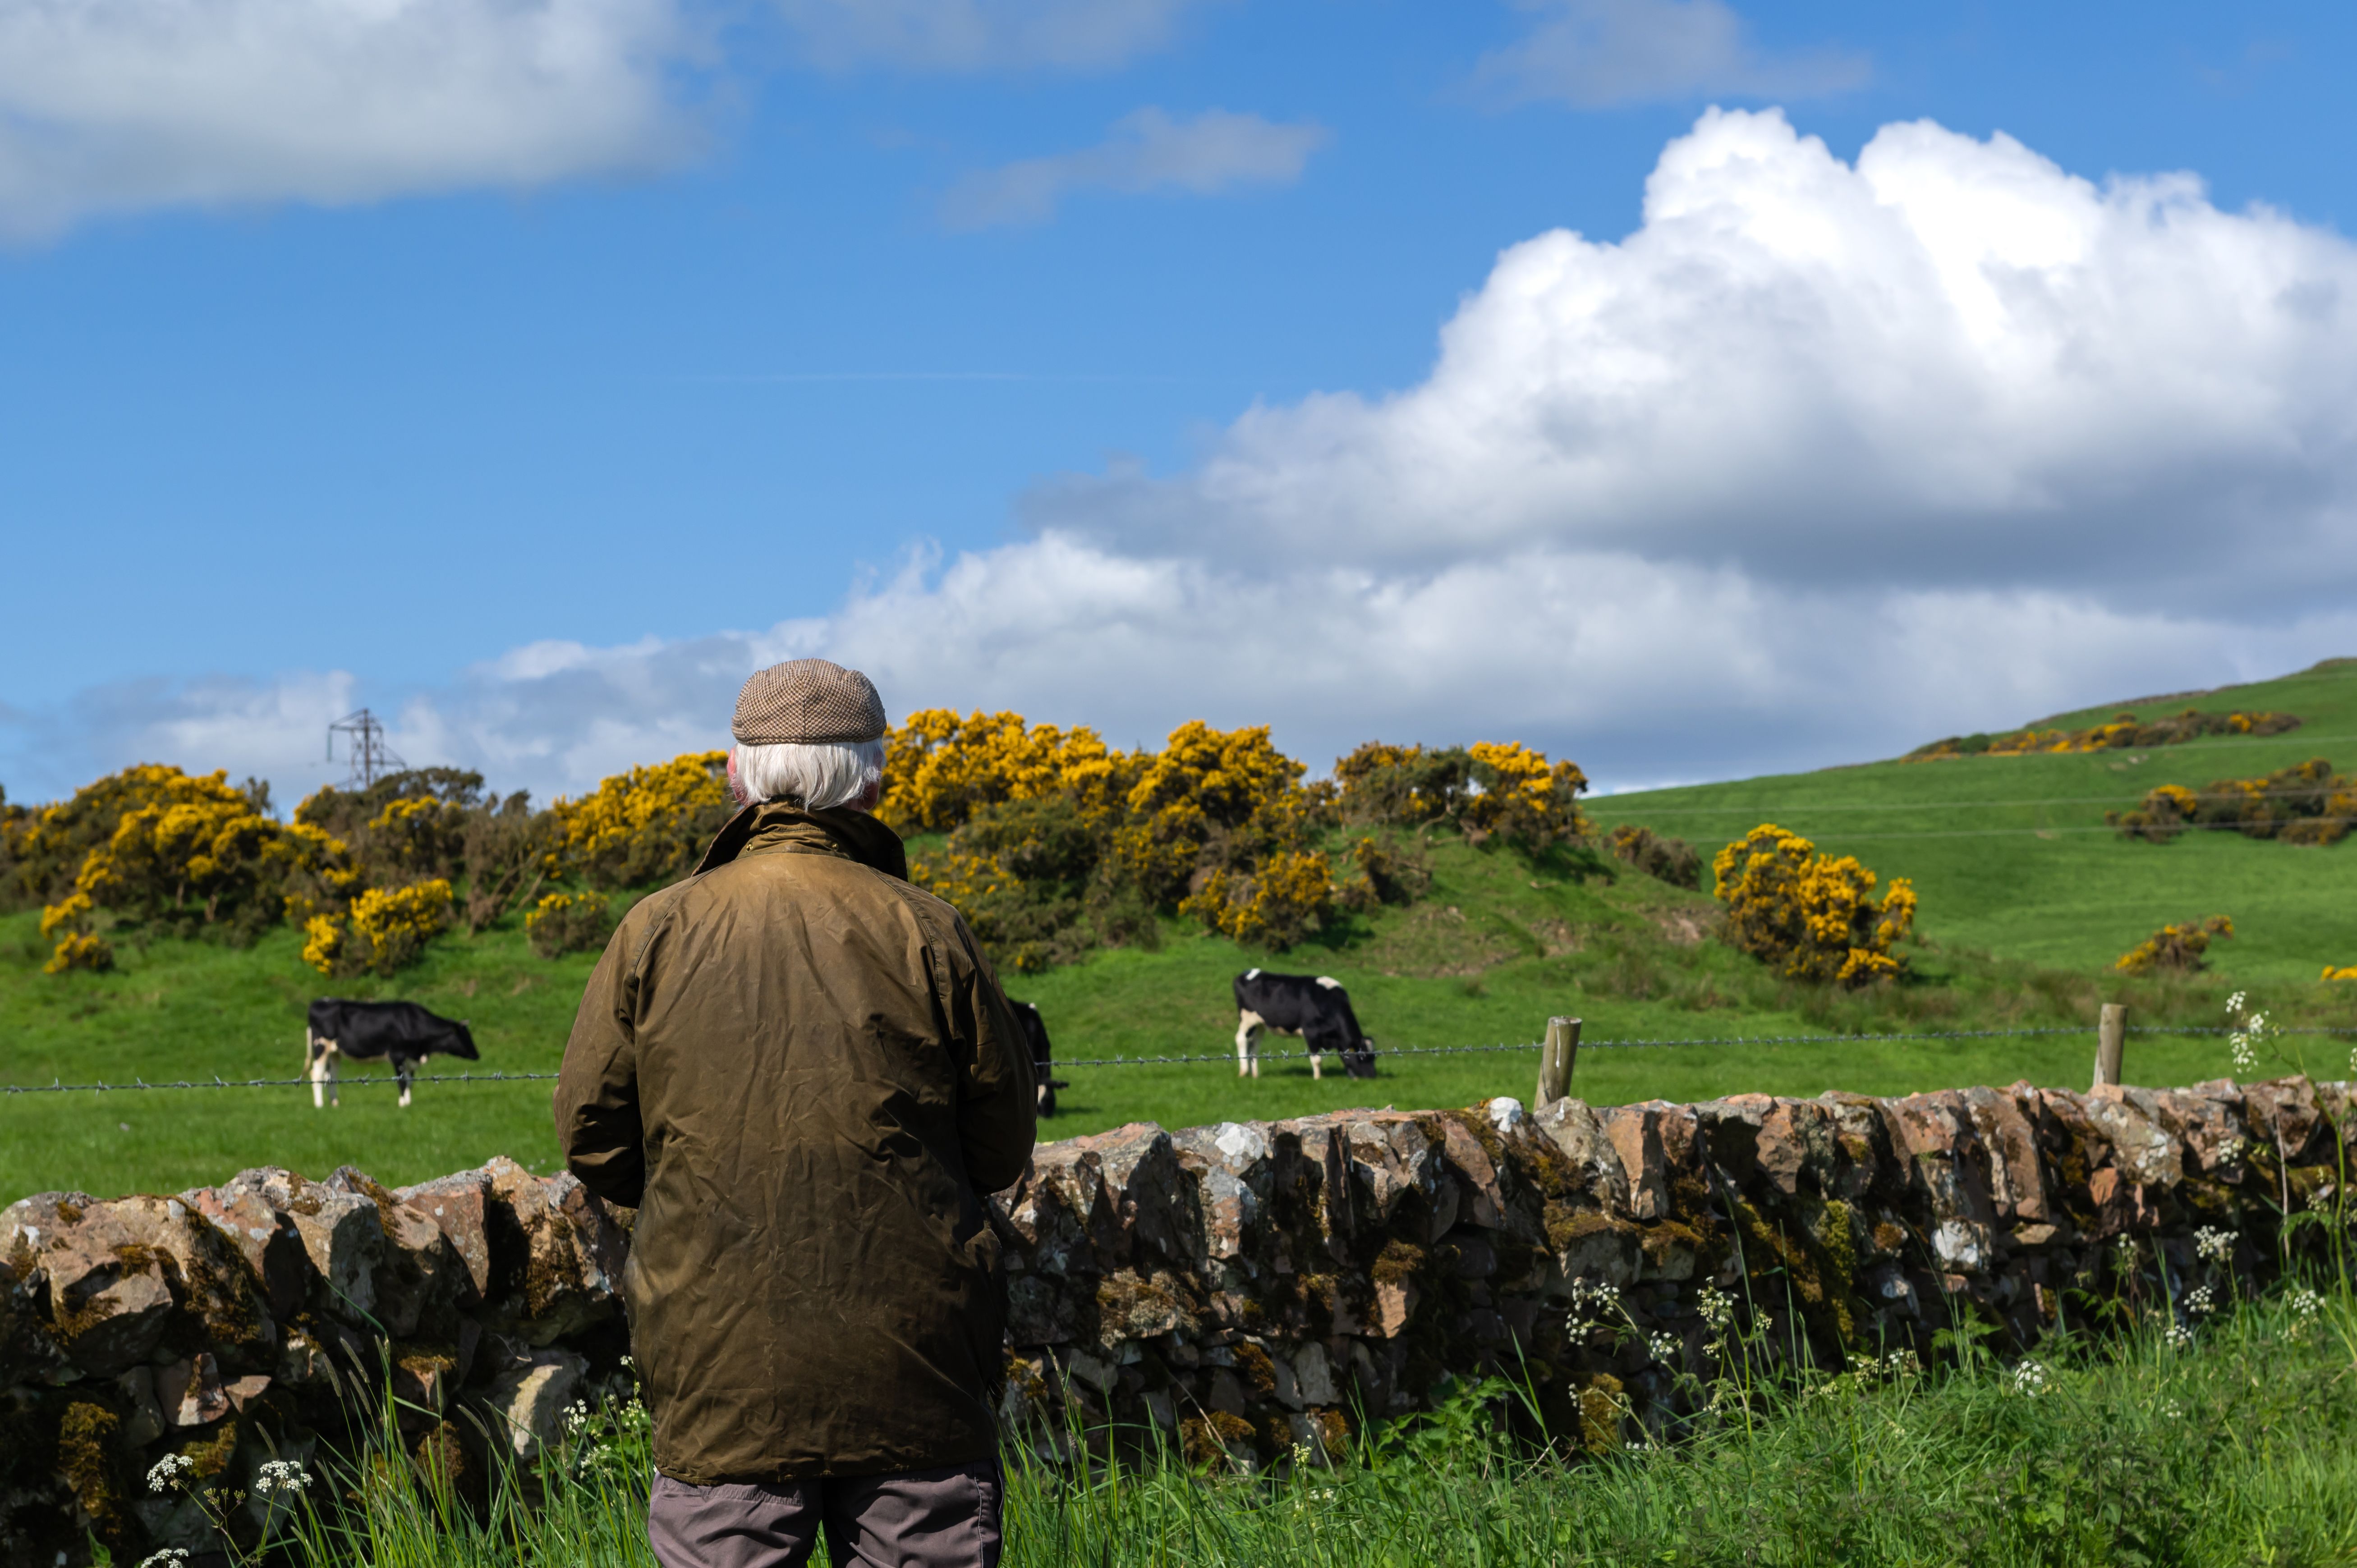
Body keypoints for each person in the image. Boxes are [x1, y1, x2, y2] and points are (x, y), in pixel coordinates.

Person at [555, 658, 1037, 1568]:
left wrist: (693, 1193)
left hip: (720, 1360)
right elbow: (1002, 1142)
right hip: (917, 1365)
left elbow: (593, 1132)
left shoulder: (654, 931)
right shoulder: (929, 929)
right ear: (875, 780)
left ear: (735, 776)